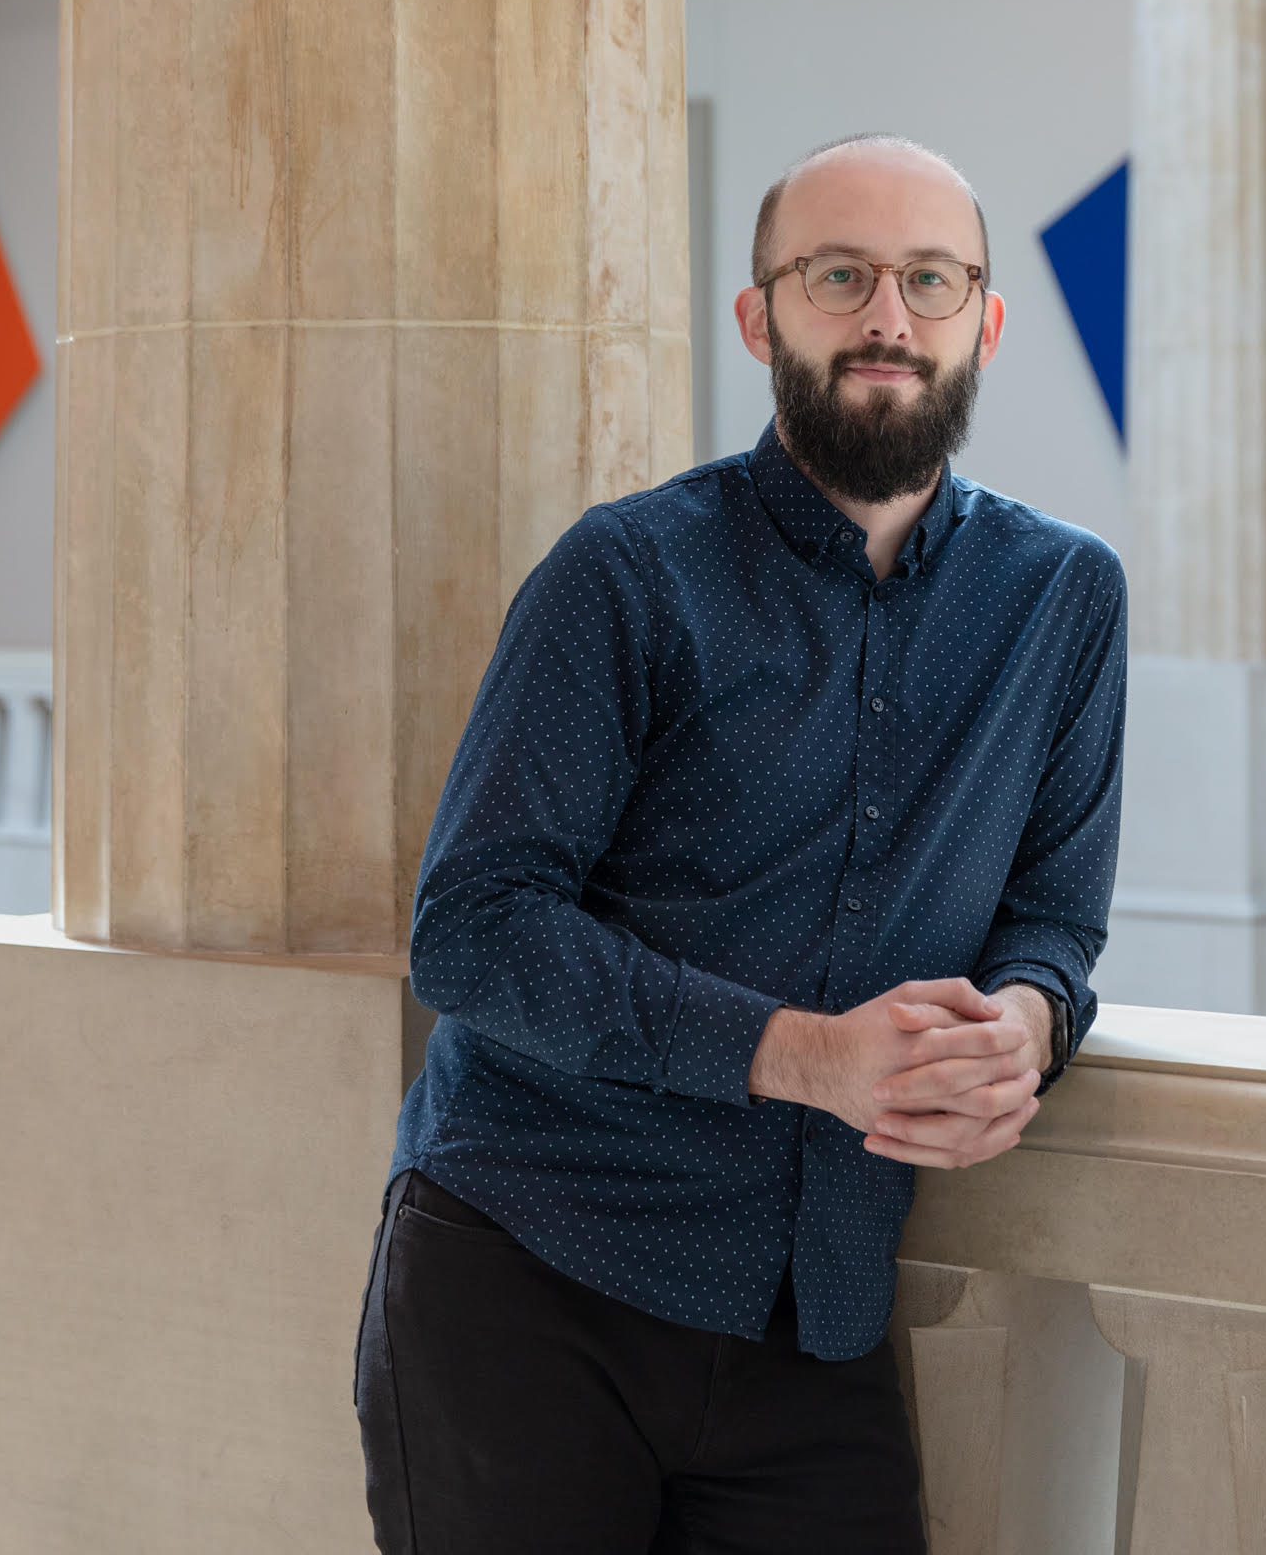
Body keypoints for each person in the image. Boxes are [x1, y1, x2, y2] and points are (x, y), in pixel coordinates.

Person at [356, 133, 1127, 1553]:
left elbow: (1057, 917)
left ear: (986, 323)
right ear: (761, 315)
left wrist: (1020, 1026)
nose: (887, 318)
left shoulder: (1063, 598)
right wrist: (806, 1055)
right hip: (531, 1279)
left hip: (812, 1315)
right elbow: (472, 929)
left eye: (929, 279)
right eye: (838, 277)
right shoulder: (626, 573)